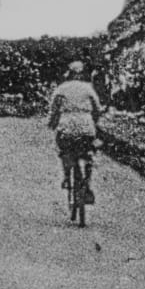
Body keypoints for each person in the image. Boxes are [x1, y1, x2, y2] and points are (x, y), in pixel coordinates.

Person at [48, 60, 103, 199]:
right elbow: (97, 108)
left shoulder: (62, 88)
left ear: (69, 73)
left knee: (64, 150)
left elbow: (54, 108)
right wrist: (95, 122)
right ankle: (87, 184)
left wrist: (52, 123)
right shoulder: (88, 88)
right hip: (86, 124)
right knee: (89, 153)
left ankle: (67, 177)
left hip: (66, 124)